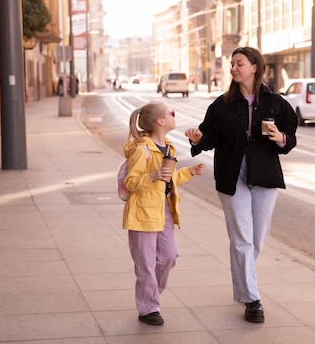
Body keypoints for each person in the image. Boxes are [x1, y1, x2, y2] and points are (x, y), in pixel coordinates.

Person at [184, 46, 298, 323]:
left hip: (265, 174)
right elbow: (208, 135)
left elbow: (290, 138)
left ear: (255, 67)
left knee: (257, 236)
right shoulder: (221, 105)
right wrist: (198, 138)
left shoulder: (276, 103)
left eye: (239, 64)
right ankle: (252, 298)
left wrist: (279, 137)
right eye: (232, 64)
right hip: (232, 175)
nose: (234, 68)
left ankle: (244, 281)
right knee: (242, 237)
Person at [122, 101, 205, 326]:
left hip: (164, 209)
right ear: (160, 121)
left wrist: (189, 172)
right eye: (171, 112)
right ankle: (148, 307)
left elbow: (169, 178)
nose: (173, 114)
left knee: (169, 256)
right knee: (146, 263)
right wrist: (152, 176)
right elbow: (130, 182)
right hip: (142, 213)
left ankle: (150, 295)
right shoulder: (142, 149)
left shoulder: (168, 146)